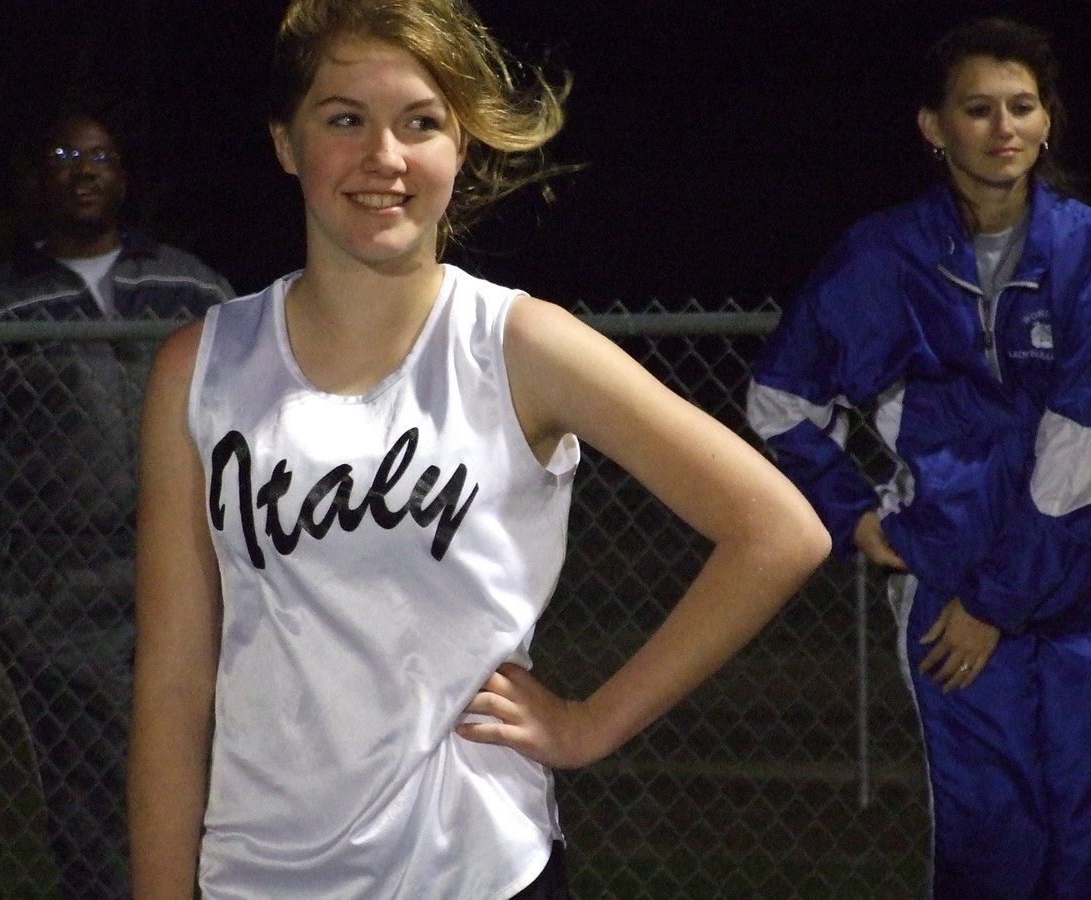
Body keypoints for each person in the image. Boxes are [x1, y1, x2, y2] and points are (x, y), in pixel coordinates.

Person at [126, 2, 830, 897]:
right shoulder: (201, 367)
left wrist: (591, 724)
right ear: (286, 141)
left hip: (479, 870)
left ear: (462, 146)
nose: (384, 156)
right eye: (345, 119)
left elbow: (778, 532)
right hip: (256, 877)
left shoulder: (520, 347)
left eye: (420, 122)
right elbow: (175, 683)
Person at [747, 17, 1091, 900]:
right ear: (934, 127)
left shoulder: (1085, 250)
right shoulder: (883, 257)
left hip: (1072, 589)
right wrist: (854, 515)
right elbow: (780, 401)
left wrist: (999, 601)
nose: (1004, 126)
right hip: (949, 605)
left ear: (1049, 120)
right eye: (978, 109)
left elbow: (1076, 450)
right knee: (993, 843)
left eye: (1023, 106)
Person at [0, 110, 234, 898]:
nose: (85, 169)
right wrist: (6, 599)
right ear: (38, 178)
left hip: (202, 589)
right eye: (66, 154)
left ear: (124, 176)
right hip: (66, 609)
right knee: (95, 814)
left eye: (102, 156)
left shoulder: (188, 285)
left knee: (219, 789)